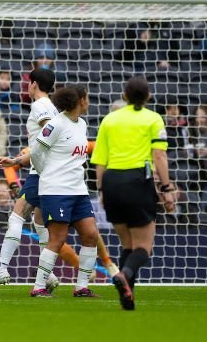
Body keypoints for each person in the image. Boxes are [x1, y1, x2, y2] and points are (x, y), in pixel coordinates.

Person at [90, 76, 176, 310]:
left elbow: (100, 161)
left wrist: (101, 191)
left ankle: (128, 297)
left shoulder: (109, 119)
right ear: (148, 97)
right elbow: (159, 156)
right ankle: (125, 274)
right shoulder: (153, 118)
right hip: (138, 181)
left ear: (125, 96)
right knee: (143, 247)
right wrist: (167, 188)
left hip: (111, 183)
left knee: (127, 244)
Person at [0, 68, 61, 294]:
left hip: (42, 172)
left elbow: (49, 135)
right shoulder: (51, 106)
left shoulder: (40, 106)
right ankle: (49, 275)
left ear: (33, 84)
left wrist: (26, 160)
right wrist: (17, 161)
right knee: (40, 221)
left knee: (17, 215)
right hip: (48, 171)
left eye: (28, 82)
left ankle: (2, 268)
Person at [29, 85, 98, 298]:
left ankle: (82, 287)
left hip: (78, 189)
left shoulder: (82, 124)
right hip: (55, 189)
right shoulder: (55, 124)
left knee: (90, 234)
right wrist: (45, 172)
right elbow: (36, 151)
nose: (88, 101)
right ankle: (38, 287)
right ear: (80, 101)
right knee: (57, 238)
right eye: (86, 97)